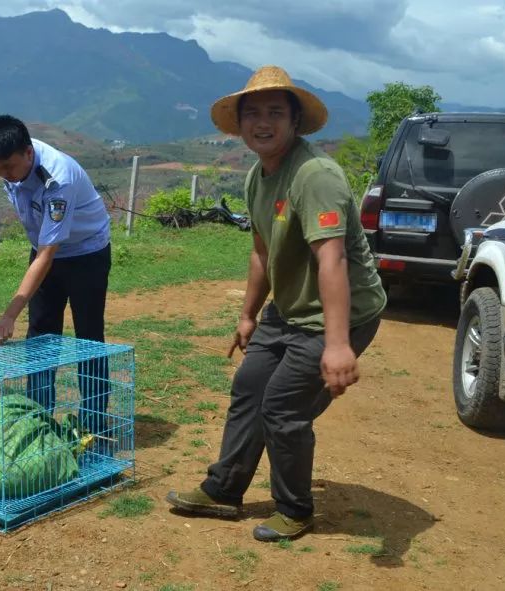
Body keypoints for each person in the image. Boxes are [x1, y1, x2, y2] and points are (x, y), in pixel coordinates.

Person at [165, 66, 388, 541]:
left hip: (339, 315)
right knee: (249, 387)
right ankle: (224, 490)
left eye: (274, 112)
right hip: (286, 311)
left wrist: (337, 345)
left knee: (283, 409)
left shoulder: (315, 176)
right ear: (240, 122)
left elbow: (332, 260)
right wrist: (247, 315)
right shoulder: (257, 176)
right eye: (253, 114)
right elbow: (262, 250)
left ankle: (295, 509)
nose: (262, 123)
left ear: (294, 122)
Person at [0, 115, 112, 436]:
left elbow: (48, 254)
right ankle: (39, 423)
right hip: (45, 247)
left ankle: (94, 424)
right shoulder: (11, 166)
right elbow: (43, 247)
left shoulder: (58, 178)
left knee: (88, 338)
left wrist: (10, 313)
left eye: (9, 168)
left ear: (28, 153)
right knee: (39, 337)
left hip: (86, 253)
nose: (5, 176)